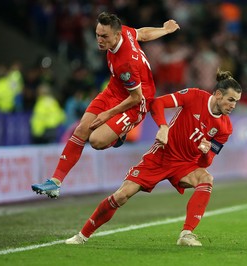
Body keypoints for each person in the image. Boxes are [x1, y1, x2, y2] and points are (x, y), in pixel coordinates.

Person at [65, 70, 242, 246]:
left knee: (206, 178)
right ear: (218, 95)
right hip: (161, 155)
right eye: (231, 100)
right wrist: (163, 126)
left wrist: (205, 152)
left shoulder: (225, 128)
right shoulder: (194, 96)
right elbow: (157, 103)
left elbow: (207, 161)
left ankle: (186, 234)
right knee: (121, 195)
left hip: (185, 165)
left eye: (236, 101)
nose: (233, 105)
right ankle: (82, 235)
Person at [31, 12, 180, 198]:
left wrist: (108, 114)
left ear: (116, 36)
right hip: (114, 90)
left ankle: (120, 134)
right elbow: (142, 33)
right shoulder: (124, 32)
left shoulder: (126, 63)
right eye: (97, 35)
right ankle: (55, 182)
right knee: (81, 130)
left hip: (137, 101)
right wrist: (165, 29)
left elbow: (135, 97)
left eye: (104, 36)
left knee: (96, 141)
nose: (99, 40)